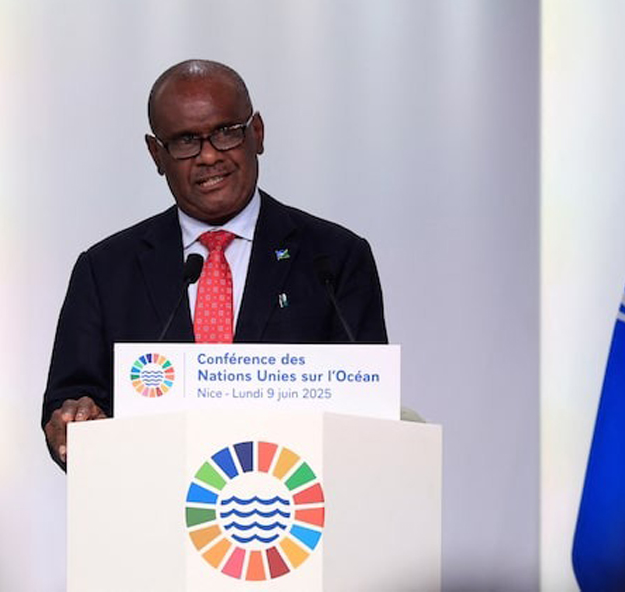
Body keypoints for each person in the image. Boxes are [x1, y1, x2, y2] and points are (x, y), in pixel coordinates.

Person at [41, 59, 387, 468]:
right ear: (156, 154)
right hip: (150, 511)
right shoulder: (105, 270)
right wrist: (73, 421)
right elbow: (70, 405)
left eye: (226, 133)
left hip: (298, 510)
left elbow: (368, 413)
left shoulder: (334, 259)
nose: (208, 156)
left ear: (256, 133)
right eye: (185, 141)